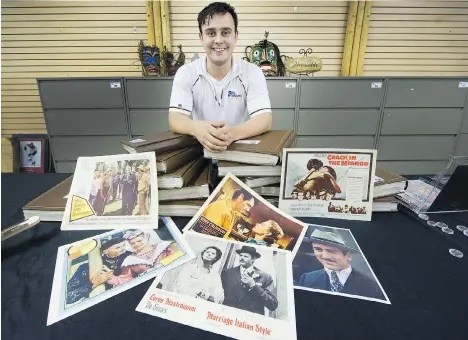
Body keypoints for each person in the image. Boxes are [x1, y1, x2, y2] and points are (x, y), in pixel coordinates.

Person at [167, 2, 273, 152]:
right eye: (211, 33)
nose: (218, 40)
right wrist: (196, 128)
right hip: (200, 152)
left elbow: (264, 119)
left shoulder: (252, 72)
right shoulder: (186, 73)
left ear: (236, 36)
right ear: (201, 37)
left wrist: (234, 133)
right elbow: (175, 118)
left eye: (225, 32)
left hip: (237, 151)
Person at [298, 229, 385, 300]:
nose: (325, 256)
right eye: (318, 249)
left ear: (348, 256)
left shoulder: (371, 287)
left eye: (332, 251)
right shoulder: (307, 279)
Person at [66, 236, 133, 305]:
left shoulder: (130, 255)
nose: (123, 249)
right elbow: (67, 298)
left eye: (124, 245)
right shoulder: (87, 267)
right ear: (106, 251)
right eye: (118, 247)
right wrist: (93, 283)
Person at [221, 245, 278, 315]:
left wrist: (254, 286)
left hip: (251, 319)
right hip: (228, 315)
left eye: (245, 256)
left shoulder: (266, 277)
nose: (242, 258)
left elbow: (272, 305)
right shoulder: (227, 273)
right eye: (241, 255)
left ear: (253, 259)